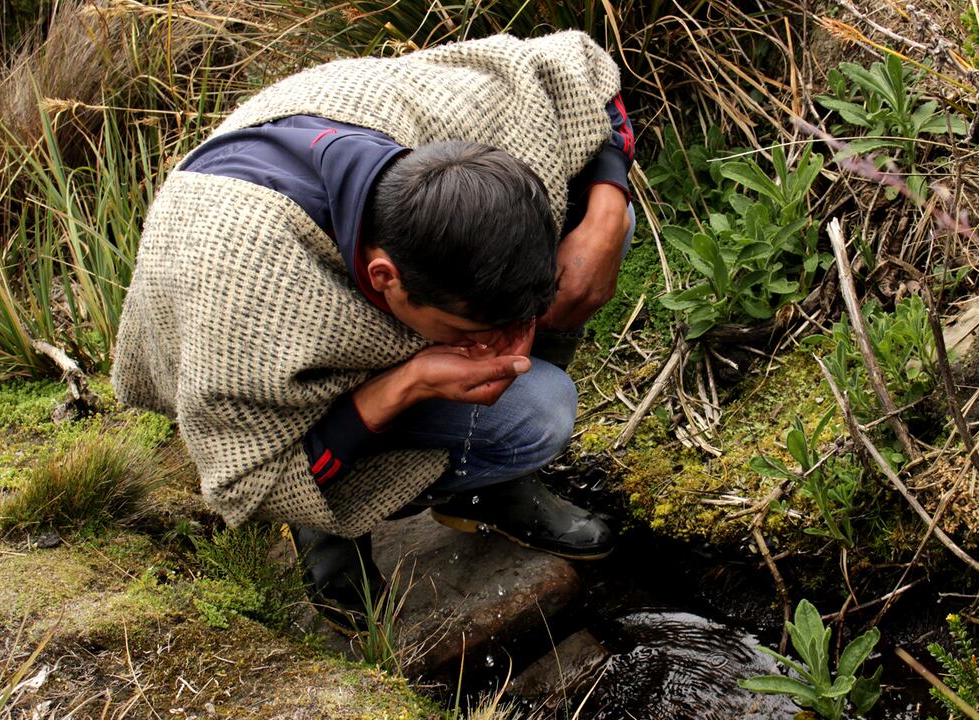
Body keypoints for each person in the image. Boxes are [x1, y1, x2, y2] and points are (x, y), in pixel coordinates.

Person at [112, 31, 635, 629]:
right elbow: (247, 481)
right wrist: (405, 385)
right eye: (481, 328)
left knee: (597, 227)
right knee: (537, 412)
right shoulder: (243, 304)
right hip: (253, 335)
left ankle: (490, 490)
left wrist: (605, 213)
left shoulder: (470, 117)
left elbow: (586, 74)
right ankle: (326, 525)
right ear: (386, 278)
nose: (516, 344)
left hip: (345, 201)